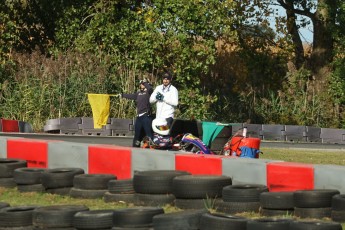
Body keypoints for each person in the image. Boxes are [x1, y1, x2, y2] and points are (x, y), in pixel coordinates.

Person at [121, 79, 154, 147]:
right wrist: (122, 95)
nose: (141, 84)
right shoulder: (139, 93)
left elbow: (150, 89)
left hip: (146, 116)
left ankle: (152, 147)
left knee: (148, 134)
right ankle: (135, 147)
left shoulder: (148, 92)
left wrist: (145, 82)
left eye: (143, 84)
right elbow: (132, 96)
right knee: (137, 135)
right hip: (139, 117)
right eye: (141, 84)